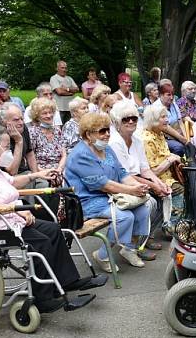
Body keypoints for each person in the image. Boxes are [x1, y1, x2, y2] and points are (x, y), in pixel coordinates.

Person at [0, 125, 102, 313]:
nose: (8, 150)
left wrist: (36, 175)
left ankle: (66, 281)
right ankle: (42, 298)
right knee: (40, 242)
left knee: (53, 229)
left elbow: (12, 182)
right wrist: (18, 210)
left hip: (9, 218)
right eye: (6, 146)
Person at [65, 112, 151, 271]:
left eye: (108, 130)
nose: (106, 134)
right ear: (88, 134)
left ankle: (129, 248)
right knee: (124, 217)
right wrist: (132, 190)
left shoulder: (107, 149)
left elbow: (122, 173)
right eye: (101, 131)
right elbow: (103, 185)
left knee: (142, 210)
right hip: (87, 200)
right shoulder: (80, 155)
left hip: (109, 196)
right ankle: (102, 255)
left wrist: (138, 187)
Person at [108, 100, 170, 259]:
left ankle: (143, 238)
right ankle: (132, 245)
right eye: (125, 119)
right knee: (151, 201)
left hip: (136, 180)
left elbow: (145, 169)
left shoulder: (137, 140)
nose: (130, 122)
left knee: (166, 193)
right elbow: (124, 176)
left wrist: (159, 183)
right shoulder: (115, 143)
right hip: (119, 184)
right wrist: (153, 186)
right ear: (117, 122)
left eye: (133, 118)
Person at [141, 101, 185, 236]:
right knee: (180, 189)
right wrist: (171, 159)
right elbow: (152, 172)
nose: (167, 119)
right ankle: (170, 227)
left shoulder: (159, 134)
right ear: (153, 120)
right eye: (163, 117)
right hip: (155, 179)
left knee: (190, 183)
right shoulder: (147, 139)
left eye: (167, 116)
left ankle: (175, 222)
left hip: (167, 175)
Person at [27, 98, 67, 179]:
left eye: (50, 112)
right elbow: (30, 157)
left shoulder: (57, 131)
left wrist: (59, 170)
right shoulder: (33, 132)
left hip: (60, 170)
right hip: (41, 172)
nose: (49, 116)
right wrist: (45, 173)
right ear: (37, 116)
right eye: (44, 113)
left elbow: (64, 155)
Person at [0, 103, 38, 176]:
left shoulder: (23, 128)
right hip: (6, 178)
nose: (21, 123)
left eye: (22, 119)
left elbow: (30, 154)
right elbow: (12, 171)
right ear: (4, 122)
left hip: (24, 172)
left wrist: (37, 176)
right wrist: (18, 141)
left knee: (45, 182)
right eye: (16, 120)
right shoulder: (0, 135)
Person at [159, 83, 188, 156]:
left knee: (191, 144)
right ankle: (175, 165)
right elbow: (165, 127)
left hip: (177, 134)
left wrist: (186, 137)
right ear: (161, 95)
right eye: (168, 95)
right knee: (178, 147)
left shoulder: (174, 104)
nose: (171, 97)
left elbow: (180, 121)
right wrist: (181, 138)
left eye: (172, 95)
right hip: (163, 137)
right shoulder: (157, 107)